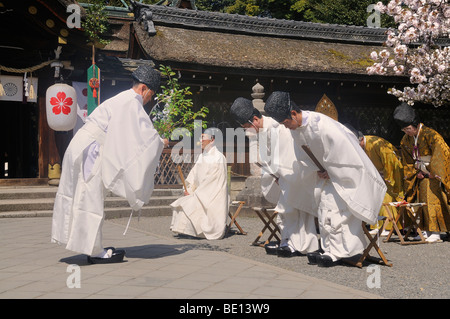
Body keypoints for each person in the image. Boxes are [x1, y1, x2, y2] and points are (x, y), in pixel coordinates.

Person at [51, 65, 169, 264]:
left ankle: (84, 243)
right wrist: (159, 142)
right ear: (144, 89)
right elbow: (143, 137)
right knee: (90, 197)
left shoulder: (122, 99)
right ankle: (94, 250)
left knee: (80, 195)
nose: (149, 99)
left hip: (83, 144)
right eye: (151, 95)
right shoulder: (132, 102)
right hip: (92, 149)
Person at [264, 91, 386, 267]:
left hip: (343, 175)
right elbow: (303, 157)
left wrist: (332, 169)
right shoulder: (296, 130)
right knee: (324, 211)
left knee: (338, 212)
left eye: (286, 123)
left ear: (293, 113)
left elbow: (345, 152)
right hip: (324, 176)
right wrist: (316, 169)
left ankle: (345, 251)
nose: (286, 127)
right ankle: (330, 249)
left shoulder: (322, 125)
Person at [230, 97, 319, 257]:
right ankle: (290, 243)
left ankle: (301, 245)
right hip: (282, 177)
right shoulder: (262, 131)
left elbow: (287, 154)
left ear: (255, 119)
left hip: (293, 174)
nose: (246, 130)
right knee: (287, 213)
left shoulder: (277, 126)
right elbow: (267, 158)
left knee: (294, 211)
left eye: (246, 126)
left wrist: (278, 173)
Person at [393, 102, 450, 243]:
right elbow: (407, 161)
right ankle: (425, 230)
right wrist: (415, 172)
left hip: (434, 174)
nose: (407, 132)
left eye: (408, 129)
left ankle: (436, 232)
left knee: (433, 201)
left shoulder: (431, 135)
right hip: (421, 174)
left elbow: (442, 153)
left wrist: (434, 172)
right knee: (421, 201)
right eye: (404, 130)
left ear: (416, 125)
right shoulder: (406, 140)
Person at [170, 129, 229, 240]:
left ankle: (194, 232)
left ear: (212, 139)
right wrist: (188, 189)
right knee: (182, 202)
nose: (200, 140)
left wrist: (196, 193)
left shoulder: (219, 158)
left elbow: (213, 182)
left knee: (189, 204)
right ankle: (187, 231)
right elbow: (193, 175)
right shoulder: (202, 156)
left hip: (212, 196)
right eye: (200, 137)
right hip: (200, 193)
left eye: (203, 137)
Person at [346, 126, 404, 236]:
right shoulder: (360, 147)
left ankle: (388, 226)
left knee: (386, 196)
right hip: (375, 176)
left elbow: (391, 162)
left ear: (361, 139)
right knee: (372, 196)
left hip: (389, 174)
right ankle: (377, 224)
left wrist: (386, 177)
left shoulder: (377, 143)